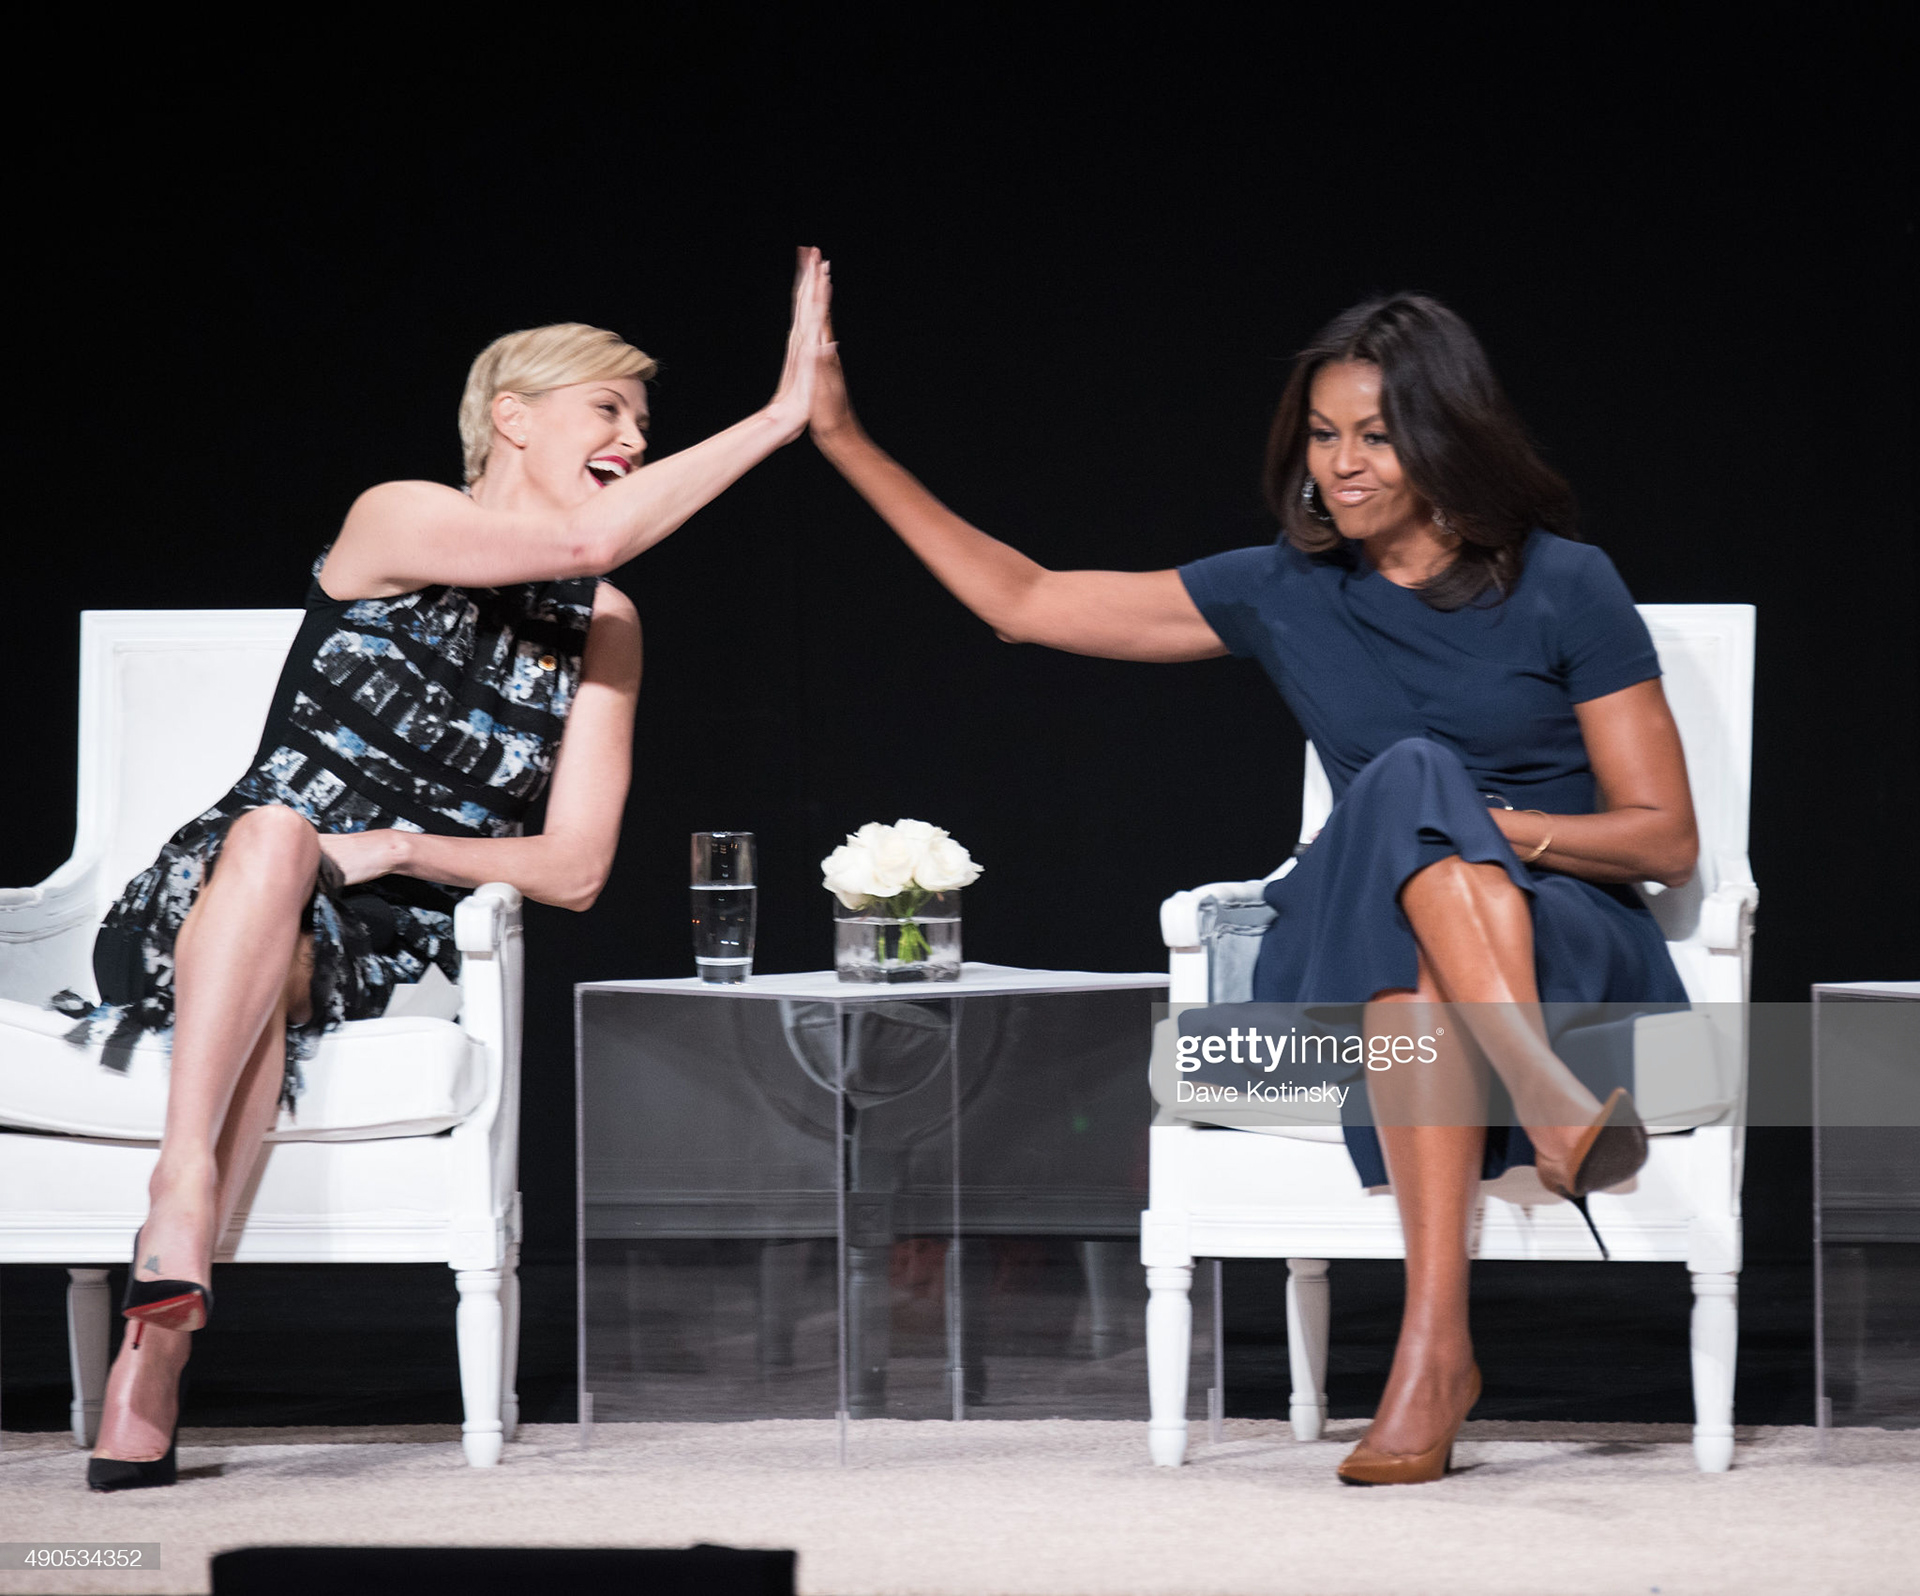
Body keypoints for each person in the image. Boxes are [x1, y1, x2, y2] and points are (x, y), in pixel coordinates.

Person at [807, 290, 1696, 1485]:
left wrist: (1494, 831)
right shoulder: (1283, 588)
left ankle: (1435, 1357)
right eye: (1323, 436)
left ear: (1446, 432)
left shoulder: (1564, 583)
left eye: (1375, 434)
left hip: (1568, 936)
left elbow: (1663, 838)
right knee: (1408, 793)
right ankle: (1541, 1099)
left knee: (1419, 860)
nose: (1343, 464)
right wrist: (845, 440)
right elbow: (1023, 602)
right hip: (1356, 928)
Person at [65, 250, 834, 1489]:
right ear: (513, 416)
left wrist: (406, 847)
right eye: (610, 410)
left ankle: (160, 1314)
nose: (634, 438)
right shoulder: (401, 516)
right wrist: (779, 417)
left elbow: (577, 867)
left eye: (645, 422)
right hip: (207, 897)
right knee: (272, 839)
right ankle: (180, 1203)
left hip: (379, 944)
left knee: (294, 921)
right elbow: (583, 531)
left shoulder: (609, 623)